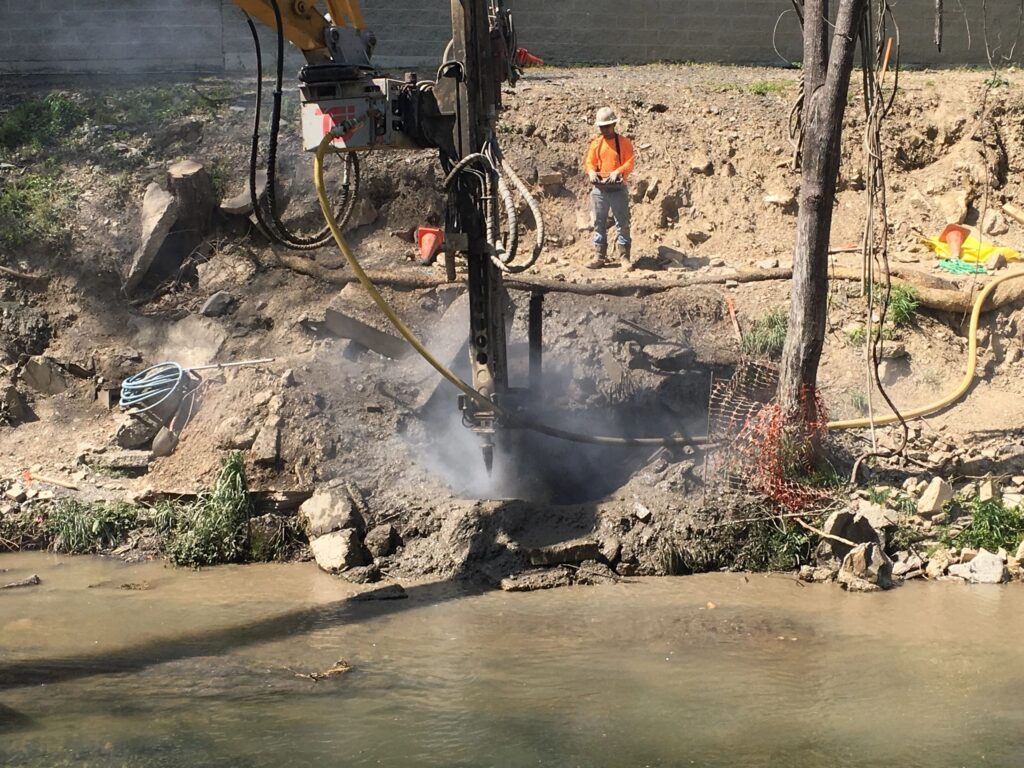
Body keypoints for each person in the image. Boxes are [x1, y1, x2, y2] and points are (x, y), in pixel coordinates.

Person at [584, 106, 635, 269]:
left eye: (606, 126)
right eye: (601, 127)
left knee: (622, 223)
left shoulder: (624, 143)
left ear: (613, 125)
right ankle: (599, 256)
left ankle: (624, 257)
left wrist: (618, 171)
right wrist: (591, 171)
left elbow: (630, 162)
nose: (604, 130)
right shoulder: (596, 144)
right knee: (599, 223)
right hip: (600, 189)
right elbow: (589, 162)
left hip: (618, 189)